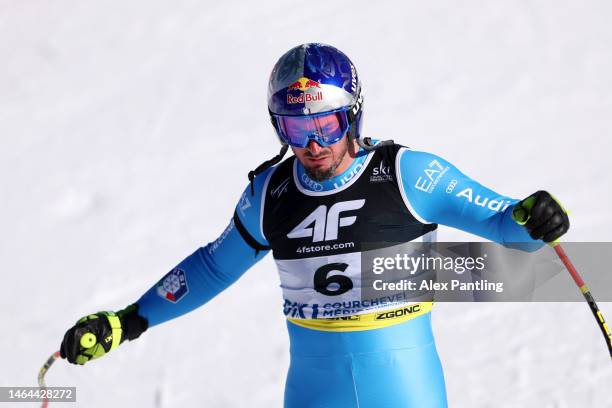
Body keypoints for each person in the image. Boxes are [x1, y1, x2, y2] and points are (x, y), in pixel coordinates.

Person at [60, 43, 570, 407]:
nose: (312, 143)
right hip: (312, 390)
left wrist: (535, 216)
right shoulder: (270, 193)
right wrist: (131, 320)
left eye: (325, 124)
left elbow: (507, 226)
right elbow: (214, 267)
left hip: (403, 388)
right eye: (295, 127)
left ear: (353, 117)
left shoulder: (407, 173)